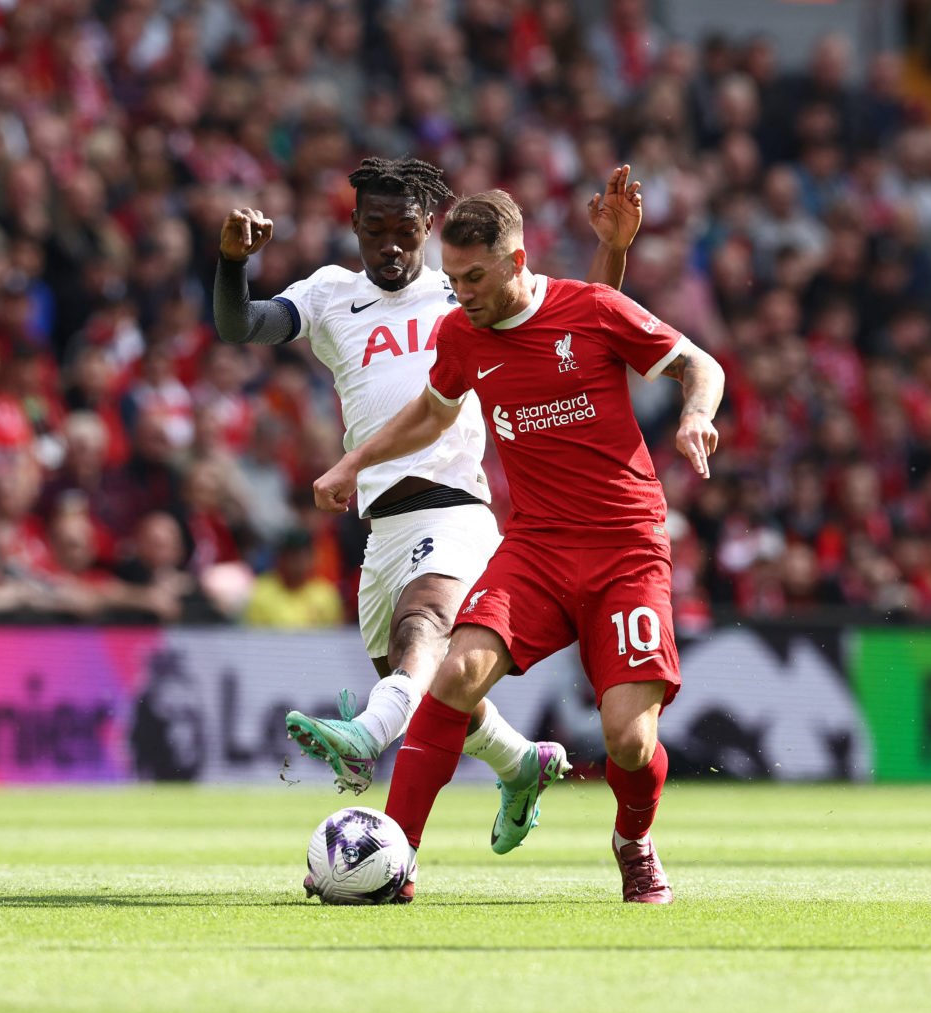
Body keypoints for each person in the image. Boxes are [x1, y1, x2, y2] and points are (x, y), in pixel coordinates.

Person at [213, 158, 645, 868]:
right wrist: (232, 262)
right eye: (375, 230)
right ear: (354, 226)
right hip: (381, 528)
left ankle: (369, 733)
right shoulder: (329, 295)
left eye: (405, 231)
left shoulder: (463, 289)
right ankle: (521, 764)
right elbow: (241, 326)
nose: (390, 246)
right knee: (438, 692)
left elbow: (580, 323)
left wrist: (615, 249)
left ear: (429, 228)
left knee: (426, 628)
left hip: (457, 508)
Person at [313, 189, 725, 903]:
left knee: (628, 739)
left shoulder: (591, 308)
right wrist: (354, 462)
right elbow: (430, 415)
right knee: (455, 674)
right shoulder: (462, 335)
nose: (460, 293)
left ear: (516, 261)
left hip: (625, 547)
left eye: (474, 279)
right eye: (454, 276)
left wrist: (693, 416)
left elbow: (703, 365)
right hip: (535, 545)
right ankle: (395, 857)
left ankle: (633, 840)